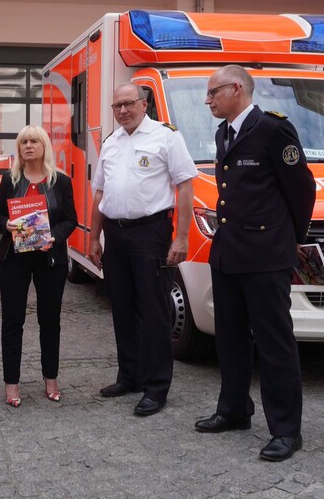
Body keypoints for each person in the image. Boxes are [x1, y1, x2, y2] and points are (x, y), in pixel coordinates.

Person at [193, 64, 316, 462]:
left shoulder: (273, 129)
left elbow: (302, 189)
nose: (207, 100)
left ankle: (285, 430)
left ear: (235, 89)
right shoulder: (224, 131)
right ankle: (234, 410)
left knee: (274, 342)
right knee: (229, 338)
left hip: (265, 256)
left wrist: (289, 239)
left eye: (213, 93)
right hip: (229, 251)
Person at [88, 83, 198, 417]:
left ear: (144, 104)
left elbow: (185, 186)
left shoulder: (166, 137)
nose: (122, 111)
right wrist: (94, 239)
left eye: (128, 104)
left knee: (153, 310)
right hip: (116, 235)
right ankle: (129, 376)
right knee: (122, 308)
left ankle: (156, 386)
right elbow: (99, 195)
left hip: (151, 232)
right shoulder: (111, 142)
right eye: (116, 106)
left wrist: (181, 238)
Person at [0, 125, 77, 407]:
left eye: (34, 141)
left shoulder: (60, 182)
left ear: (44, 147)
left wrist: (55, 236)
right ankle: (11, 384)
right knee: (12, 321)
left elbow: (70, 219)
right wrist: (6, 224)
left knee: (49, 321)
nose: (28, 145)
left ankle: (50, 379)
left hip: (49, 259)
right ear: (19, 148)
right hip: (13, 259)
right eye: (23, 141)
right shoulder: (9, 180)